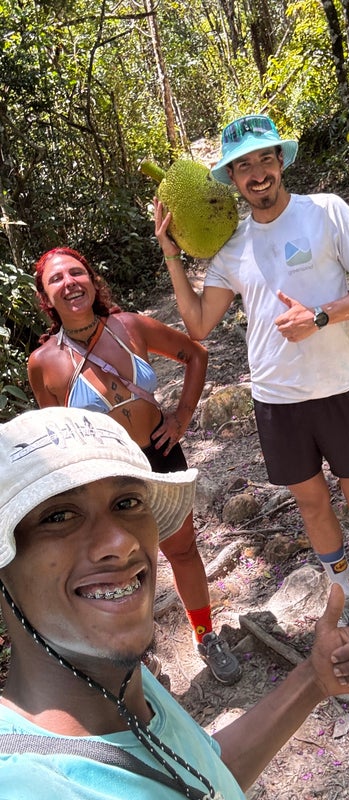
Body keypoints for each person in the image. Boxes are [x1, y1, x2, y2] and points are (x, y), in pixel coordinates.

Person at [0, 407, 349, 798]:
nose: (121, 542)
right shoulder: (29, 786)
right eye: (59, 516)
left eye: (127, 503)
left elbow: (206, 777)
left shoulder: (117, 680)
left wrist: (313, 679)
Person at [154, 114, 349, 684]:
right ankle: (346, 590)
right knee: (313, 507)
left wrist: (320, 315)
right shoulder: (232, 248)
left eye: (265, 159)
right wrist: (171, 253)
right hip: (275, 401)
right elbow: (198, 324)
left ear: (281, 161)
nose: (257, 173)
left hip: (338, 389)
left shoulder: (326, 212)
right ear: (231, 179)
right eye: (243, 165)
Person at [26, 247, 241, 685]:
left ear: (92, 281)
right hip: (106, 481)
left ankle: (206, 636)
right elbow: (57, 433)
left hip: (159, 456)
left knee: (182, 550)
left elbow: (195, 355)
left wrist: (181, 417)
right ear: (45, 298)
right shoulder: (43, 363)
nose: (69, 283)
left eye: (76, 272)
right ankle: (137, 658)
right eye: (56, 279)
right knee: (122, 571)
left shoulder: (129, 326)